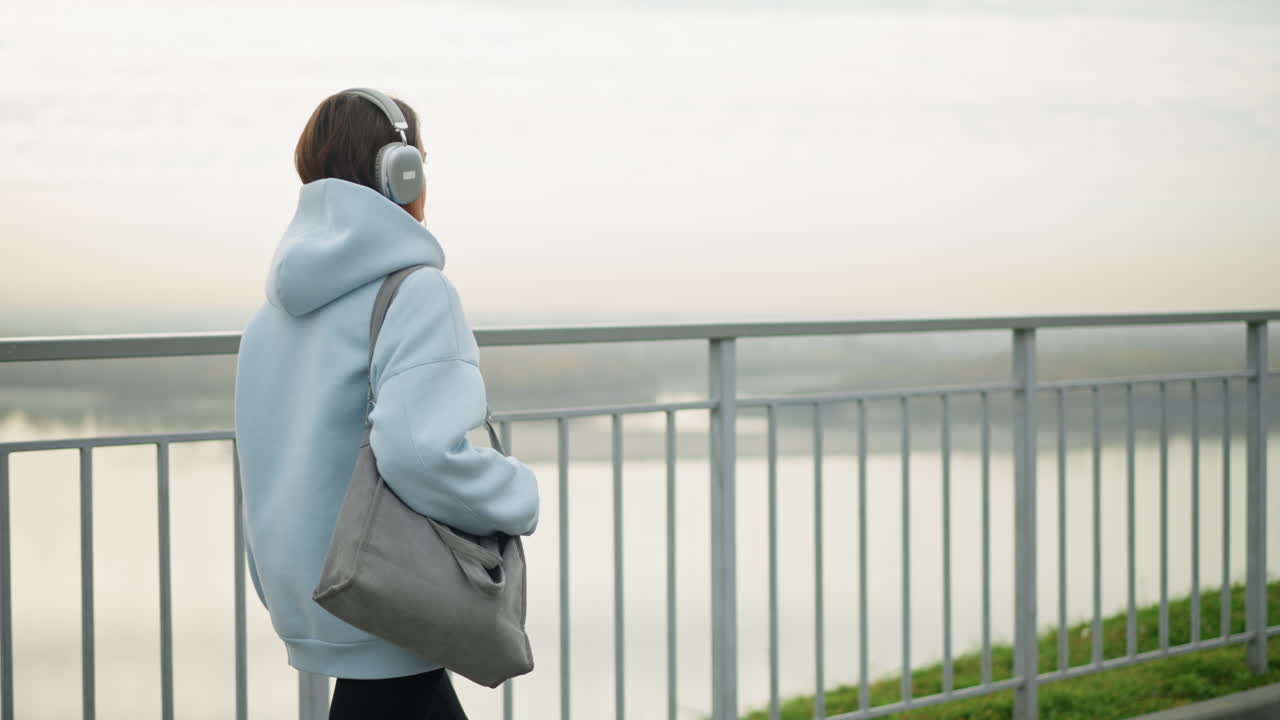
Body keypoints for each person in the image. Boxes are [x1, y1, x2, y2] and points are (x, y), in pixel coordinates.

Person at [233, 89, 540, 720]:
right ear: (403, 173)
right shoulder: (417, 293)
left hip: (315, 597)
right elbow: (420, 452)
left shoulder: (269, 317)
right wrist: (517, 493)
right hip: (386, 600)